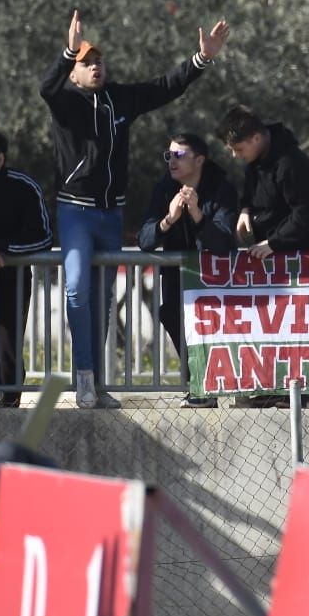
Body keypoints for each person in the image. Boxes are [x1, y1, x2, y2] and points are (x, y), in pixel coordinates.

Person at [42, 9, 230, 409]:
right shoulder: (65, 102)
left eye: (99, 61)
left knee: (104, 299)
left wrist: (202, 59)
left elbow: (166, 86)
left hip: (111, 213)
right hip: (75, 211)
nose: (95, 67)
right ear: (74, 73)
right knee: (76, 289)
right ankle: (84, 377)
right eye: (86, 63)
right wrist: (67, 51)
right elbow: (46, 88)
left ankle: (98, 387)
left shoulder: (119, 98)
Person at [137, 132, 239, 409]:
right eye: (168, 155)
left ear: (199, 160)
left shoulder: (222, 189)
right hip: (176, 277)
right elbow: (145, 240)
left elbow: (222, 243)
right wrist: (169, 219)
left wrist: (196, 214)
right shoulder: (164, 188)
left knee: (213, 328)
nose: (171, 161)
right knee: (171, 315)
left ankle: (221, 387)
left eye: (179, 155)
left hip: (213, 279)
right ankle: (197, 386)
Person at [0, 127, 51, 408]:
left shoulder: (23, 186)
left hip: (13, 275)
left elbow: (42, 237)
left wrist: (1, 248)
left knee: (7, 337)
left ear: (0, 159)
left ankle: (11, 393)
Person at [217, 106, 309, 258]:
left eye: (239, 149)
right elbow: (251, 192)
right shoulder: (254, 159)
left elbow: (306, 212)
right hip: (271, 254)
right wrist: (246, 210)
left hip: (302, 259)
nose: (235, 155)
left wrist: (274, 243)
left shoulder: (291, 163)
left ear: (256, 138)